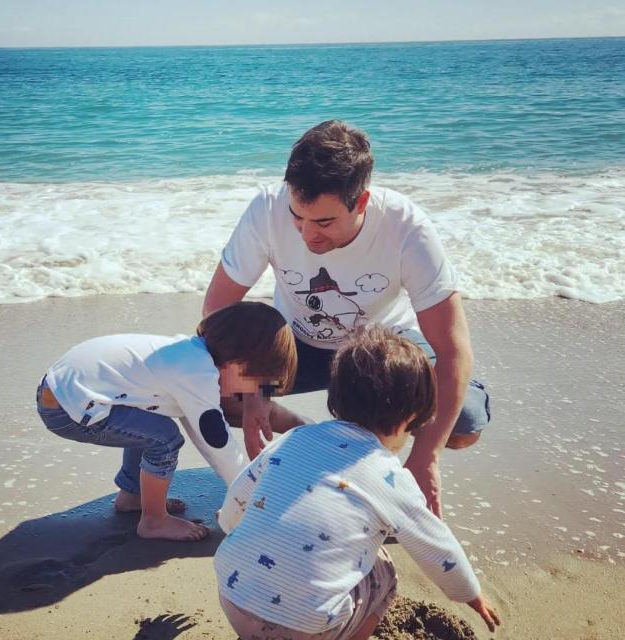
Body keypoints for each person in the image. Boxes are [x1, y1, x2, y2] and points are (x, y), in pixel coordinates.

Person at [202, 120, 490, 516]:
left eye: (324, 222)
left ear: (361, 201)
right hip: (296, 345)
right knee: (210, 393)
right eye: (297, 217)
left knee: (463, 424)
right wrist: (254, 392)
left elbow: (454, 350)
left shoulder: (407, 227)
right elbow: (217, 310)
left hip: (381, 349)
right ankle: (306, 432)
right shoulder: (266, 209)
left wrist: (426, 459)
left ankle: (378, 452)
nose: (307, 235)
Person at [213, 326, 501, 640]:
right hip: (304, 627)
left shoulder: (296, 437)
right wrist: (470, 593)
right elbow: (436, 546)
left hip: (232, 596)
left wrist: (231, 526)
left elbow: (240, 494)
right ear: (409, 418)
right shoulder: (390, 476)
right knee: (383, 571)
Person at [35, 301, 297, 542]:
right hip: (69, 406)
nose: (246, 395)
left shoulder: (188, 355)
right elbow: (217, 442)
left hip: (59, 393)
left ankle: (133, 496)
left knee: (150, 427)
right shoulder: (198, 374)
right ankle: (153, 520)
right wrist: (247, 494)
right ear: (238, 363)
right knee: (165, 439)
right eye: (255, 385)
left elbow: (201, 432)